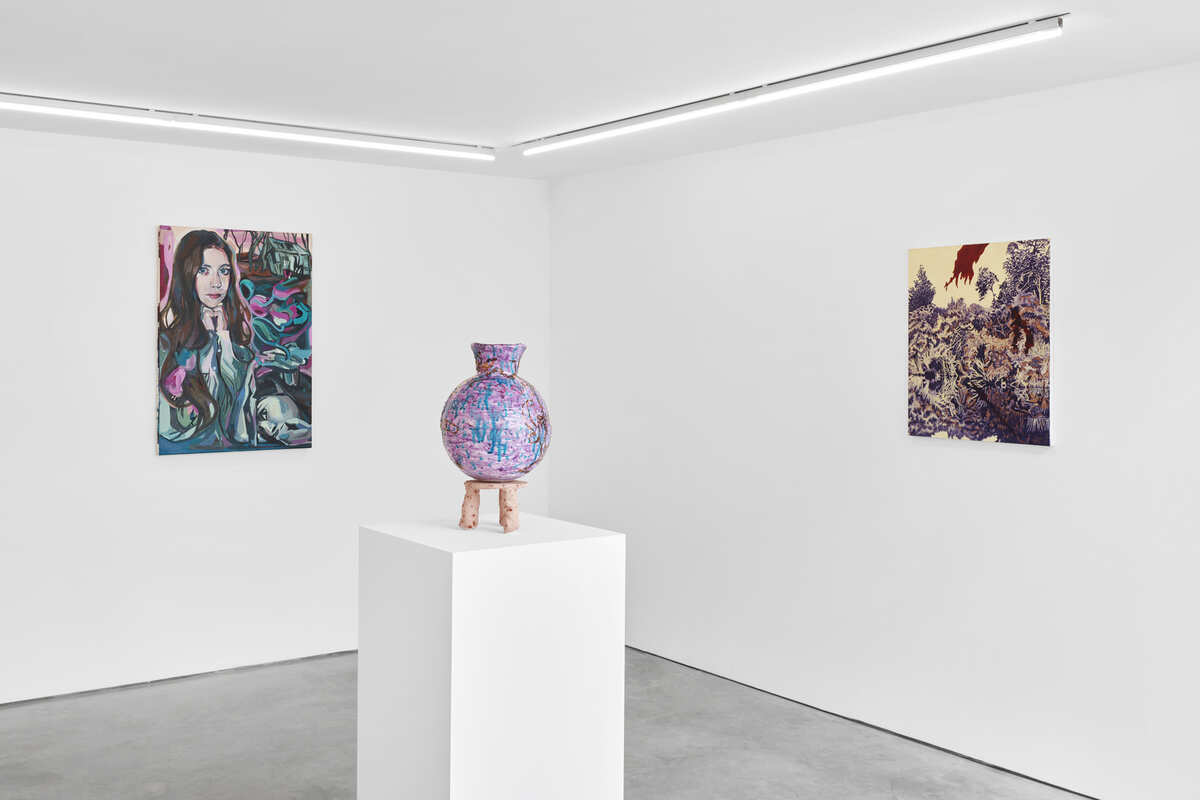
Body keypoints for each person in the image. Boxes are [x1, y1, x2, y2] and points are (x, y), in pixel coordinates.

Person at [158, 230, 257, 451]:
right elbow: (173, 426)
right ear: (187, 273)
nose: (217, 283)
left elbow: (236, 418)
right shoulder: (166, 343)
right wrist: (209, 351)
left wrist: (222, 338)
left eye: (224, 271)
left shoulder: (236, 339)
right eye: (204, 271)